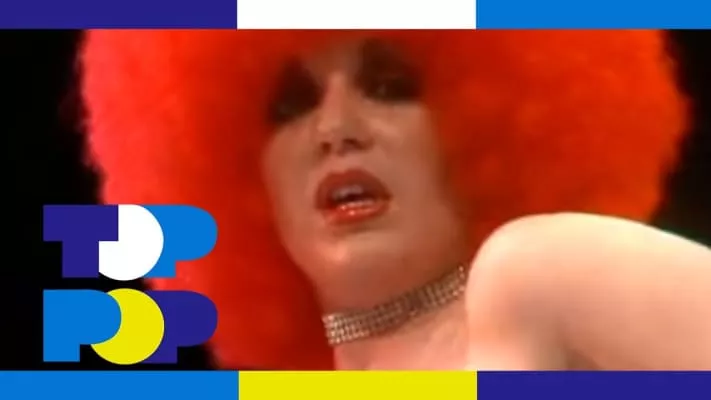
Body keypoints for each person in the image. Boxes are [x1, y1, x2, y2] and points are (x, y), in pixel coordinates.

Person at [81, 30, 710, 370]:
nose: (335, 129)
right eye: (290, 105)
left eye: (389, 86)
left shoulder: (541, 278)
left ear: (485, 130)